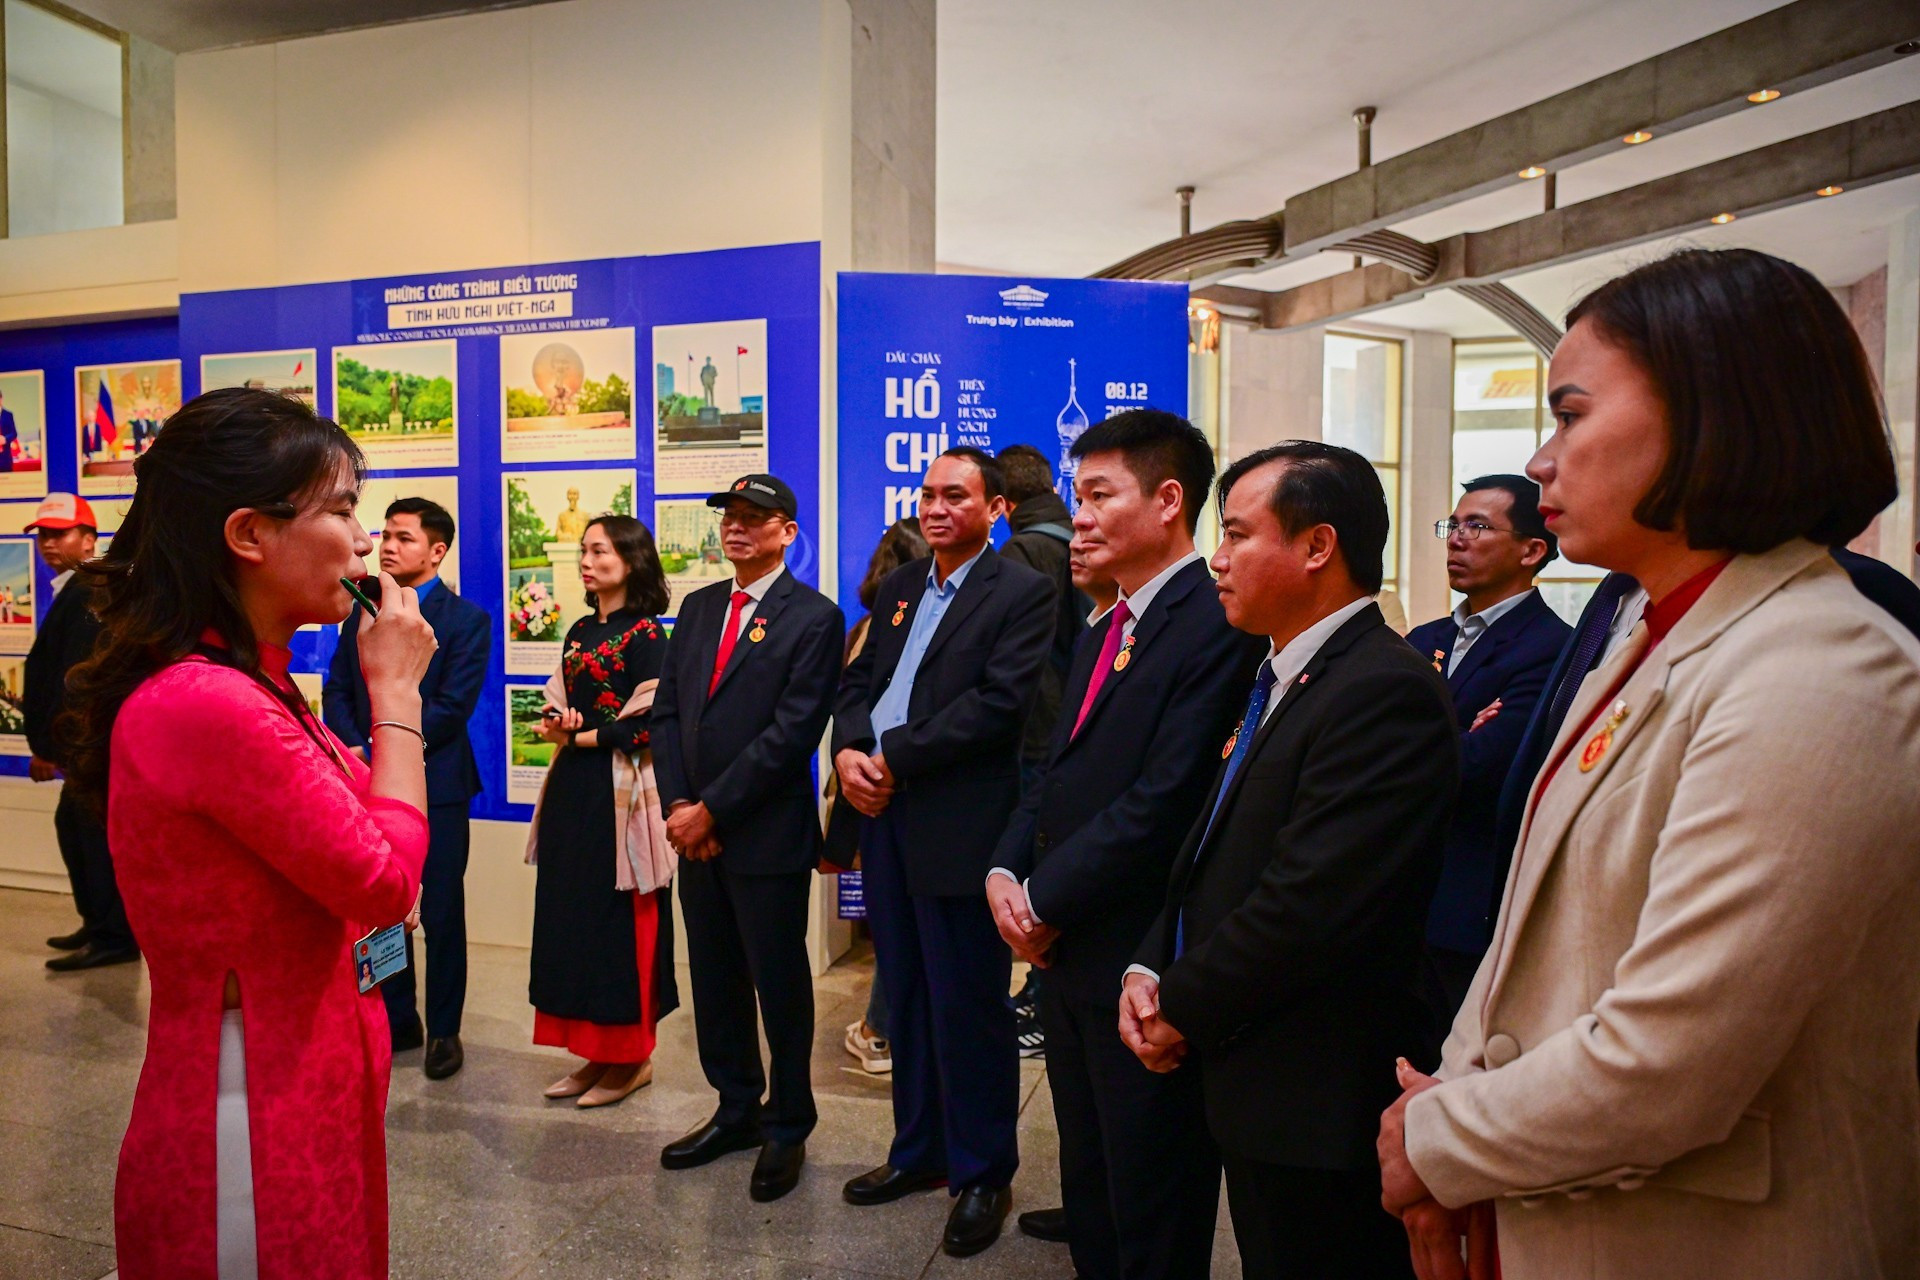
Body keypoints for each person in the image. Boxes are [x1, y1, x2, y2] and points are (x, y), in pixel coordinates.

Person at [1379, 248, 1920, 1280]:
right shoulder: (1647, 633)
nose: (1541, 460)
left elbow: (1671, 1060)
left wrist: (1436, 1141)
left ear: (1713, 413)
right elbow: (1527, 938)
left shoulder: (1817, 668)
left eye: (1570, 415)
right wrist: (1452, 1097)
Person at [60, 387, 437, 1279]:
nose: (363, 542)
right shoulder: (209, 700)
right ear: (248, 533)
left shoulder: (253, 685)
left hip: (305, 1065)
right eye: (342, 510)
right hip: (250, 1099)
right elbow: (386, 880)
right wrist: (396, 697)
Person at [1122, 440, 1457, 1280]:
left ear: (1317, 546)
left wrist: (1178, 1005)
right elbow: (1211, 848)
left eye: (1238, 535)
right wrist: (1150, 963)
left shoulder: (1382, 688)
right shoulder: (1281, 673)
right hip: (1252, 1063)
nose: (1218, 559)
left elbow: (1311, 903)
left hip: (1316, 1085)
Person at [989, 410, 1266, 1278]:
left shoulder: (1214, 621)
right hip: (1068, 951)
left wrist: (1043, 899)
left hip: (1141, 954)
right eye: (1078, 496)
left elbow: (1165, 799)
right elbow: (1053, 767)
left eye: (1100, 496)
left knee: (1152, 1197)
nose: (1080, 517)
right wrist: (1006, 869)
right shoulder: (1107, 622)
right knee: (1091, 1178)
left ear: (1168, 500)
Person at [827, 447, 1054, 1258]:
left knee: (968, 1002)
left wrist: (894, 755)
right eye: (928, 494)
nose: (935, 507)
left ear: (994, 509)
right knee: (907, 994)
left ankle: (984, 1170)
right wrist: (849, 751)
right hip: (882, 815)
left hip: (958, 821)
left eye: (955, 495)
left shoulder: (1021, 592)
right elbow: (857, 686)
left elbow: (999, 706)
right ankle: (918, 1151)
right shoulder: (898, 588)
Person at [651, 474, 844, 1202]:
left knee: (778, 983)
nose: (736, 527)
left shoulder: (814, 617)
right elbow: (668, 713)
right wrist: (680, 804)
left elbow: (792, 733)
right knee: (716, 977)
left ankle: (788, 1122)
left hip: (764, 835)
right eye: (729, 516)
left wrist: (713, 811)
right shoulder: (699, 607)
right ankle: (736, 1108)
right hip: (695, 832)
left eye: (753, 518)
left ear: (786, 532)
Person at [324, 496, 490, 1079]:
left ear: (437, 550)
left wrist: (385, 747)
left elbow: (451, 708)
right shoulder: (362, 609)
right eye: (386, 534)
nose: (387, 547)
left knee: (440, 913)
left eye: (404, 538)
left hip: (437, 785)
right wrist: (357, 750)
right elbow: (337, 689)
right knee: (382, 908)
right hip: (364, 781)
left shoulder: (466, 620)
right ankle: (399, 1021)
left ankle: (444, 1029)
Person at [1404, 476, 1570, 1048]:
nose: (1456, 539)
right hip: (1396, 898)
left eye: (1477, 526)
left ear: (1531, 550)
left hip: (1468, 903)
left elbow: (1479, 768)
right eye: (1453, 525)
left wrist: (1421, 741)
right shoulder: (1423, 640)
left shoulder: (1552, 647)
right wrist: (1456, 732)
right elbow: (1365, 751)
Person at [524, 514, 679, 1108]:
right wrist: (559, 725)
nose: (587, 562)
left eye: (600, 551)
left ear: (632, 560)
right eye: (584, 551)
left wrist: (580, 738)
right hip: (573, 787)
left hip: (624, 793)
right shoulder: (580, 629)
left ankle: (633, 1058)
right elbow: (569, 708)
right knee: (574, 920)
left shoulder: (648, 635)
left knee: (622, 923)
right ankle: (596, 1052)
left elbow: (649, 725)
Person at [24, 493, 138, 971]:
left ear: (89, 540)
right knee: (75, 831)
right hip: (81, 747)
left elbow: (79, 678)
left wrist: (55, 748)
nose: (49, 544)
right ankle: (98, 924)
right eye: (43, 536)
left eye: (60, 534)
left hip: (87, 747)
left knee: (90, 837)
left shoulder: (92, 588)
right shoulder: (77, 587)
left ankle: (113, 935)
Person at [839, 517, 927, 1075]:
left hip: (886, 789)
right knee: (901, 929)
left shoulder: (872, 626)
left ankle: (879, 1032)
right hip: (881, 784)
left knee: (898, 930)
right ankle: (885, 1030)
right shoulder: (889, 623)